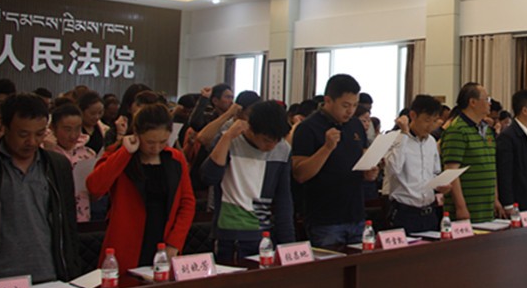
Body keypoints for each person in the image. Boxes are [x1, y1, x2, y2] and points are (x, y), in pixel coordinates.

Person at [87, 103, 195, 272]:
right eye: (150, 142)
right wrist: (125, 152)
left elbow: (187, 202)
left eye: (163, 141)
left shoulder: (175, 158)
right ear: (136, 134)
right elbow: (95, 188)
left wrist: (175, 243)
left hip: (164, 243)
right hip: (125, 243)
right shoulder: (119, 154)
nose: (156, 148)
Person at [0, 94, 82, 283]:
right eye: (23, 134)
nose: (31, 142)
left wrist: (72, 270)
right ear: (4, 128)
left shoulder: (57, 165)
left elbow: (68, 224)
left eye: (39, 134)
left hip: (50, 276)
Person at [291, 74, 378, 247]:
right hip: (325, 220)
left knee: (362, 263)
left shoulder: (355, 125)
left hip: (356, 215)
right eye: (345, 105)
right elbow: (300, 174)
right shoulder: (307, 128)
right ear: (328, 100)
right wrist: (327, 148)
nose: (350, 111)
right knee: (330, 264)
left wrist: (369, 172)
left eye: (354, 105)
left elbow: (358, 162)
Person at [202, 101, 294, 262]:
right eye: (266, 140)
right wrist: (227, 137)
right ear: (250, 129)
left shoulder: (283, 148)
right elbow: (209, 177)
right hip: (230, 233)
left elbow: (284, 198)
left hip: (264, 234)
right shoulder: (230, 140)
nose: (272, 146)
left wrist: (289, 244)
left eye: (276, 140)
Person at [384, 95, 450, 233]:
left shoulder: (431, 141)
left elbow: (434, 172)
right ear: (413, 115)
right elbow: (393, 170)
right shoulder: (396, 139)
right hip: (404, 212)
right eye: (426, 120)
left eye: (434, 121)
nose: (430, 126)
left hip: (429, 212)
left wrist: (440, 185)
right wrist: (404, 134)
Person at [441, 82, 503, 222]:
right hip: (467, 207)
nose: (489, 103)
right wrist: (461, 207)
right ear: (473, 102)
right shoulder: (457, 130)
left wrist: (495, 198)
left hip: (486, 206)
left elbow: (491, 167)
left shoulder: (487, 130)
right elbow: (451, 171)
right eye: (486, 99)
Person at [43, 103, 97, 222]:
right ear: (53, 128)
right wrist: (48, 153)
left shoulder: (88, 154)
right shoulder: (43, 151)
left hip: (82, 218)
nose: (73, 135)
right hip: (53, 218)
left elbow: (94, 195)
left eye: (77, 128)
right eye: (67, 129)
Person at [496, 90, 527, 212]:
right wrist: (508, 204)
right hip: (517, 202)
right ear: (525, 110)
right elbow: (504, 173)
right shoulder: (508, 136)